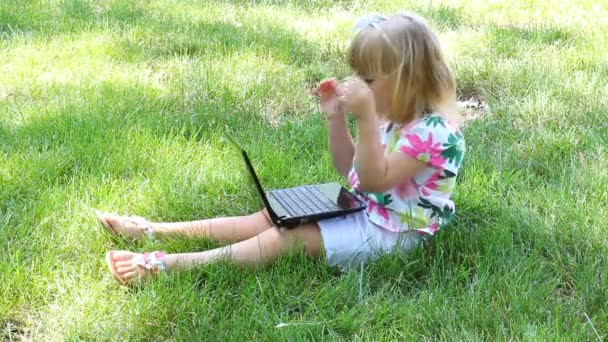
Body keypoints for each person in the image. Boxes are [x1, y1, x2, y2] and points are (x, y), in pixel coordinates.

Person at [100, 12, 466, 285]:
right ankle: (156, 231)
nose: (358, 85)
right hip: (365, 208)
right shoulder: (392, 117)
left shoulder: (435, 134)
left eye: (368, 79)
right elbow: (349, 170)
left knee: (285, 237)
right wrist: (335, 118)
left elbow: (372, 181)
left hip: (396, 233)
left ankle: (168, 265)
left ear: (408, 80)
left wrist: (367, 119)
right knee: (270, 215)